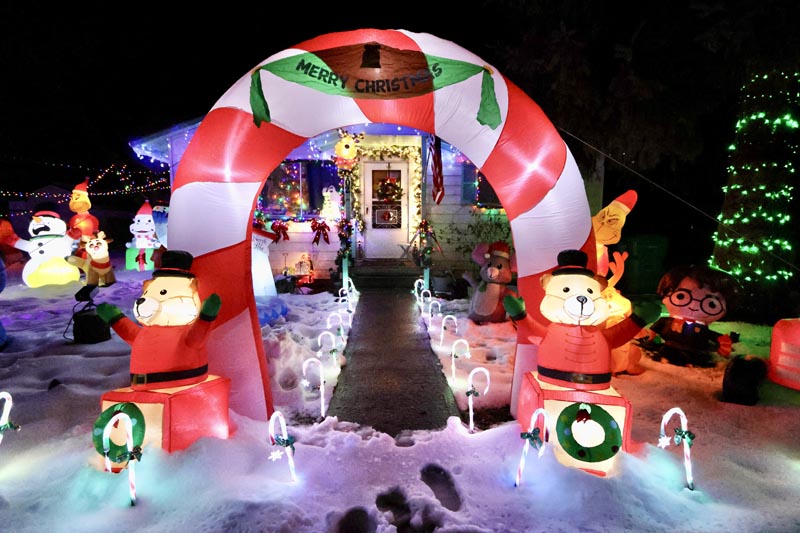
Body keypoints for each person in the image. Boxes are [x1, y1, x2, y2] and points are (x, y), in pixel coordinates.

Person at [638, 264, 740, 367]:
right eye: (681, 296)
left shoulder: (701, 328)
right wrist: (650, 338)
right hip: (669, 346)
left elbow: (711, 335)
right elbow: (656, 328)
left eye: (711, 304)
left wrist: (723, 342)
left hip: (694, 350)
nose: (693, 306)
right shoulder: (667, 321)